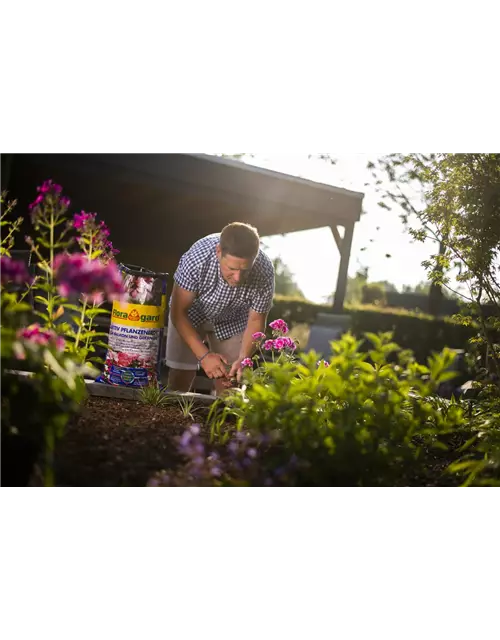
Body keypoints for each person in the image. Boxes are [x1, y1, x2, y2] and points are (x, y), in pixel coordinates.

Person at [165, 222, 275, 394]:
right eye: (231, 268)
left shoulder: (265, 270)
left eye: (245, 270)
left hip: (233, 318)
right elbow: (178, 313)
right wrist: (204, 356)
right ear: (218, 252)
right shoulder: (196, 258)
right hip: (191, 313)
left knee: (231, 382)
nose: (238, 278)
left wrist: (243, 358)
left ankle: (220, 418)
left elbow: (256, 320)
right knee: (180, 375)